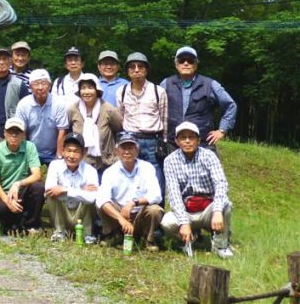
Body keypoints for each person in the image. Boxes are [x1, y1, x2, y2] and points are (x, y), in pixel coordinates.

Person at [161, 122, 234, 258]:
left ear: (198, 140)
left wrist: (217, 211)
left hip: (208, 208)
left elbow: (221, 184)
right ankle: (188, 240)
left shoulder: (209, 156)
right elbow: (174, 195)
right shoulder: (169, 161)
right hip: (187, 209)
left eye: (191, 137)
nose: (187, 141)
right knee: (167, 222)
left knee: (226, 206)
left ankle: (221, 245)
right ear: (177, 141)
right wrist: (184, 222)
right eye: (183, 137)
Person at [160, 46, 237, 151]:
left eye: (190, 61)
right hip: (173, 144)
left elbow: (230, 105)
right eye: (182, 60)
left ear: (196, 65)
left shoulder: (210, 84)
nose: (186, 63)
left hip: (203, 144)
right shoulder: (166, 83)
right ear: (176, 65)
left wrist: (222, 130)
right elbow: (155, 108)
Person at [96, 132, 163, 251]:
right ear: (117, 151)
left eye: (130, 148)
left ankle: (148, 239)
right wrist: (120, 219)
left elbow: (157, 195)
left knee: (155, 210)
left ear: (137, 150)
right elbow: (102, 199)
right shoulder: (110, 172)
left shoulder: (147, 168)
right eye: (123, 148)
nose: (127, 152)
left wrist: (133, 203)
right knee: (102, 204)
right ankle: (113, 235)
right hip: (120, 214)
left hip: (140, 214)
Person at [118, 52, 168, 189]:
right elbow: (121, 117)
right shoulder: (121, 91)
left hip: (153, 141)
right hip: (131, 140)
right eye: (132, 67)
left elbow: (164, 119)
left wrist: (163, 142)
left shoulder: (158, 91)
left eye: (140, 66)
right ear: (127, 71)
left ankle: (157, 203)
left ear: (146, 70)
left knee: (156, 179)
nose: (136, 70)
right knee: (133, 178)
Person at [0, 117, 44, 235]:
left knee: (38, 187)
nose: (14, 135)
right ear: (4, 133)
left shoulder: (30, 147)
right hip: (3, 193)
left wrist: (18, 184)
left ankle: (31, 226)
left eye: (17, 132)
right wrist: (7, 201)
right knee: (1, 208)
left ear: (23, 135)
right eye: (10, 131)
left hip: (22, 192)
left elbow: (37, 175)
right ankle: (13, 223)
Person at [44, 132, 99, 243]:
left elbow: (92, 198)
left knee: (90, 201)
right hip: (62, 212)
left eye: (76, 151)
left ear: (83, 153)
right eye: (68, 150)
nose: (71, 156)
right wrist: (82, 191)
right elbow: (49, 189)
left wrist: (65, 190)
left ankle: (87, 234)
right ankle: (59, 232)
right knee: (51, 195)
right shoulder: (55, 165)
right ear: (63, 151)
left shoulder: (91, 170)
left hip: (81, 213)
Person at [67, 73, 123, 175]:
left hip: (106, 162)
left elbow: (119, 129)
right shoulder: (73, 109)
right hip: (81, 162)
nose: (86, 92)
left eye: (90, 88)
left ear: (97, 90)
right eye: (83, 88)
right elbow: (69, 131)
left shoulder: (109, 109)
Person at [15, 68, 68, 165]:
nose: (40, 87)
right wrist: (25, 155)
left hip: (53, 152)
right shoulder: (23, 104)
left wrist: (59, 156)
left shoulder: (59, 103)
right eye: (36, 84)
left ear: (50, 86)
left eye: (44, 83)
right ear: (30, 87)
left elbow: (62, 131)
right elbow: (22, 132)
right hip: (31, 151)